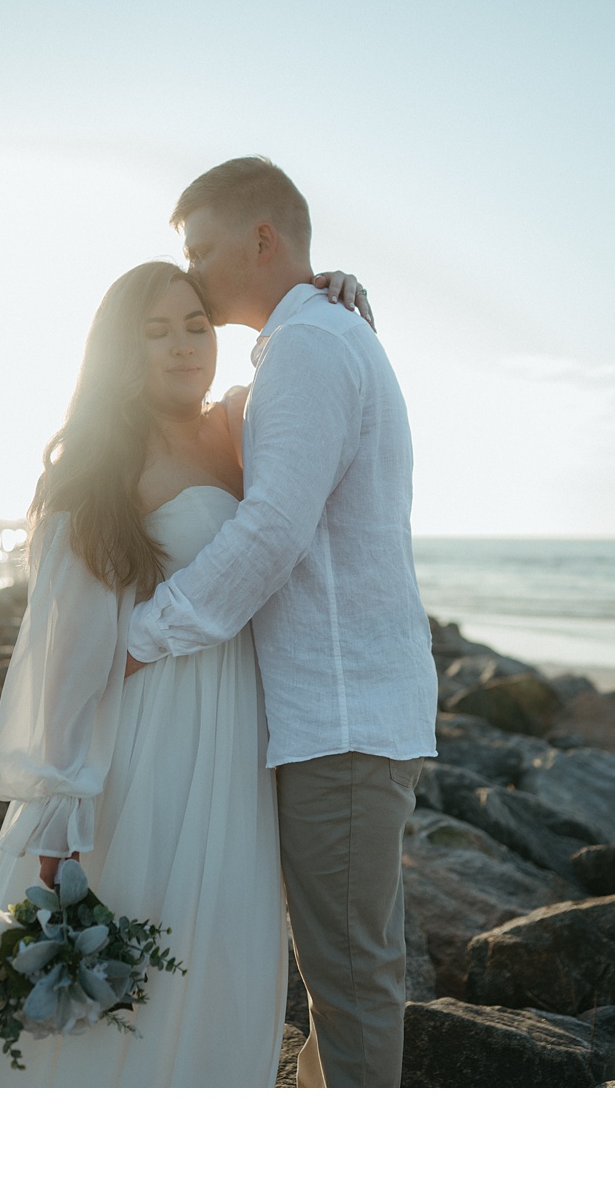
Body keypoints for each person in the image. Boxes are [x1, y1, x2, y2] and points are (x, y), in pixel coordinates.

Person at [0, 258, 367, 1088]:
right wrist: (57, 814)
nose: (181, 346)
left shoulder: (242, 424)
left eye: (196, 325)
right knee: (112, 967)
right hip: (136, 749)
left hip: (235, 743)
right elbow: (66, 656)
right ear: (119, 352)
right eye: (155, 331)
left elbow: (315, 415)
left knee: (218, 955)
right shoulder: (98, 469)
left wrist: (330, 296)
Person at [125, 157, 439, 1088]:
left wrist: (147, 635)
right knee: (341, 978)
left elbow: (272, 532)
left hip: (339, 721)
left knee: (349, 987)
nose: (192, 270)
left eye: (202, 249)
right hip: (338, 716)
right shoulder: (309, 341)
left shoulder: (310, 347)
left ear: (262, 240)